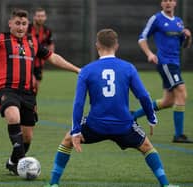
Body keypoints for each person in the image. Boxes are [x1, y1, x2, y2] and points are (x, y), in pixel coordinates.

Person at [44, 29, 179, 187]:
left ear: (97, 46)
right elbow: (143, 96)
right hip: (124, 125)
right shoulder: (128, 68)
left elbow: (78, 103)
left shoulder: (87, 70)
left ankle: (53, 183)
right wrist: (151, 117)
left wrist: (76, 131)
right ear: (117, 46)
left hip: (95, 125)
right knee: (147, 147)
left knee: (67, 141)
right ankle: (165, 184)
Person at [0, 8, 80, 175]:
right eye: (17, 23)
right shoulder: (0, 39)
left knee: (27, 137)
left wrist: (77, 70)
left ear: (27, 25)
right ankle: (24, 161)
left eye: (24, 24)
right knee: (13, 116)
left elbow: (53, 57)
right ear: (10, 23)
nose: (21, 27)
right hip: (7, 90)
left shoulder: (33, 41)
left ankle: (13, 162)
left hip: (28, 93)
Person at [132, 0, 192, 143]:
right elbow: (142, 38)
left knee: (167, 101)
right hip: (165, 63)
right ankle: (178, 135)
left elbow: (185, 45)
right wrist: (149, 54)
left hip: (174, 64)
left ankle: (132, 116)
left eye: (171, 0)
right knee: (182, 92)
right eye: (165, 0)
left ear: (175, 3)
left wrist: (188, 37)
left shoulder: (178, 22)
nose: (168, 3)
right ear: (161, 3)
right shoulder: (156, 19)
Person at [28, 7, 55, 93]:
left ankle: (32, 104)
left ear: (45, 17)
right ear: (34, 17)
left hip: (39, 63)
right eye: (38, 16)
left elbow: (50, 44)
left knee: (36, 88)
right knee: (30, 84)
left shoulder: (47, 31)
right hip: (27, 61)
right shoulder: (27, 28)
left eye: (42, 16)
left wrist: (51, 56)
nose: (40, 18)